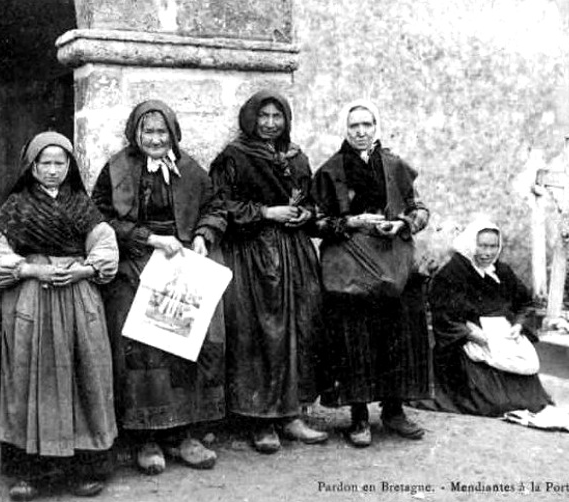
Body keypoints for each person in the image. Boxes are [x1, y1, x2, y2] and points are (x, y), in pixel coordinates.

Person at [91, 100, 227, 474]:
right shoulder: (117, 168)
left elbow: (216, 207)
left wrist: (202, 234)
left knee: (188, 346)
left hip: (181, 266)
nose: (155, 139)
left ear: (173, 134)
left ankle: (184, 436)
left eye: (161, 132)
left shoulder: (190, 170)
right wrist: (147, 238)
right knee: (143, 349)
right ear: (136, 134)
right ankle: (145, 438)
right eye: (148, 132)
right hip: (135, 266)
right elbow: (99, 217)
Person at [0, 132, 118, 501]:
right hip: (33, 299)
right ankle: (28, 473)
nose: (54, 170)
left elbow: (106, 247)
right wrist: (32, 270)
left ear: (70, 166)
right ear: (32, 166)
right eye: (46, 163)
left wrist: (85, 271)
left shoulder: (81, 205)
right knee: (30, 377)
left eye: (61, 163)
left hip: (78, 296)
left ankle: (82, 469)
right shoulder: (16, 206)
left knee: (83, 372)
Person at [209, 90, 328, 454]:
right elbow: (222, 204)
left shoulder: (297, 157)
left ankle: (291, 415)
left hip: (294, 255)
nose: (270, 123)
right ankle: (259, 421)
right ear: (250, 118)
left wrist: (303, 215)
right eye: (264, 116)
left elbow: (311, 204)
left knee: (297, 330)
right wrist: (265, 213)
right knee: (262, 333)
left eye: (278, 116)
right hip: (253, 255)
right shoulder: (234, 156)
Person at [312, 99, 431, 448]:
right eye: (354, 126)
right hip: (350, 267)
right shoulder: (331, 170)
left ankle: (394, 411)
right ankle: (359, 417)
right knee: (356, 340)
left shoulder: (395, 166)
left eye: (367, 125)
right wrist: (351, 221)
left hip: (393, 265)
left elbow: (420, 208)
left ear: (376, 127)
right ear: (345, 130)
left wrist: (401, 223)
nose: (361, 132)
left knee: (397, 337)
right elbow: (314, 221)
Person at [423, 216, 553, 416]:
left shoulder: (502, 271)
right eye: (482, 246)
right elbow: (442, 315)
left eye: (493, 246)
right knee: (493, 402)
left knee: (532, 400)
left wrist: (518, 325)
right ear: (470, 244)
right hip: (467, 339)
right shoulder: (452, 273)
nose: (488, 253)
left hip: (504, 334)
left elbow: (525, 304)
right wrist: (470, 334)